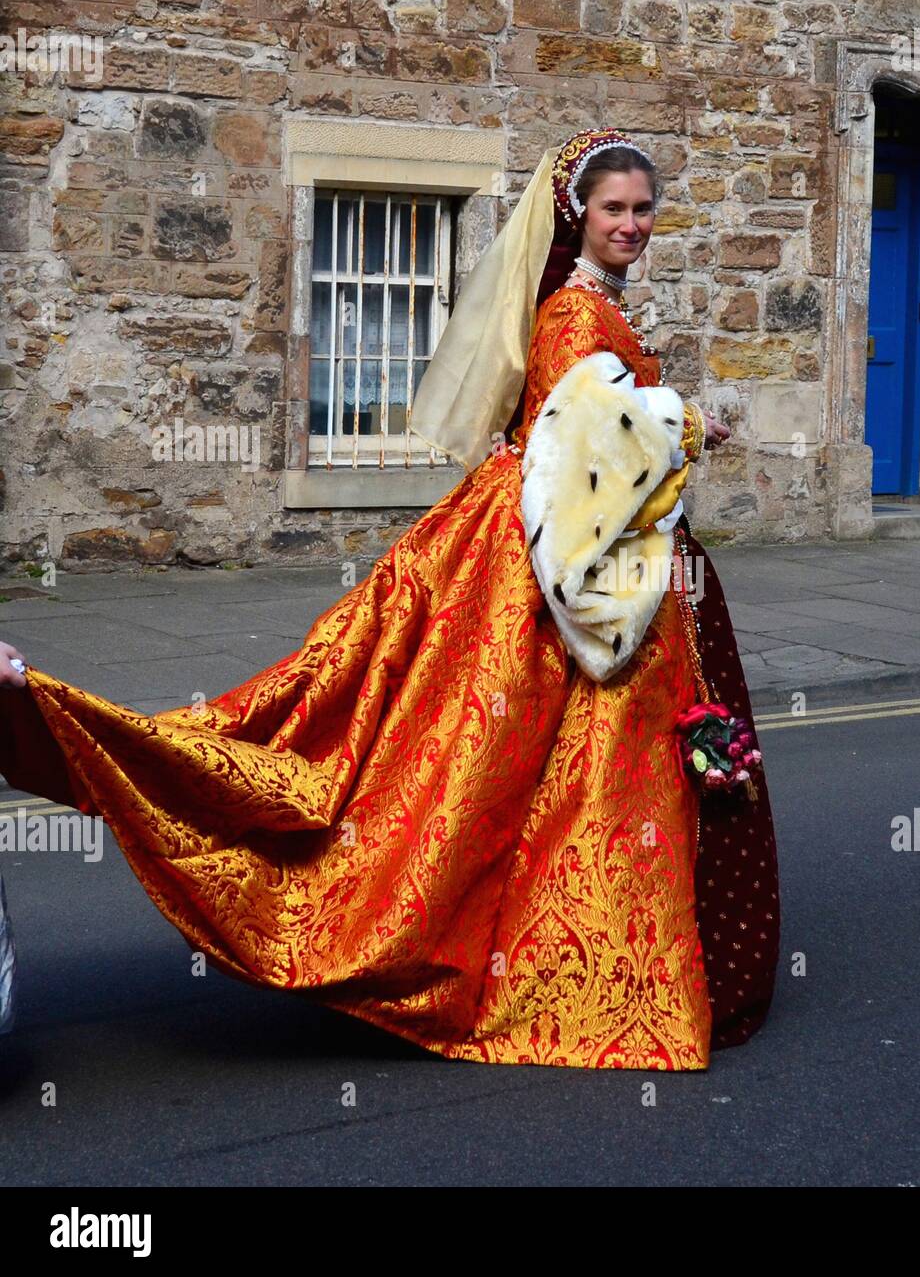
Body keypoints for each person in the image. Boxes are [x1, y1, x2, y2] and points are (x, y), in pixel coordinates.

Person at [0, 127, 779, 1069]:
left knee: (489, 763)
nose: (631, 224)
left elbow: (573, 435)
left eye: (643, 209)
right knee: (504, 764)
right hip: (564, 561)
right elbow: (583, 445)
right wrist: (691, 420)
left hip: (564, 543)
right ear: (577, 214)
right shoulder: (576, 315)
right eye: (614, 208)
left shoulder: (591, 305)